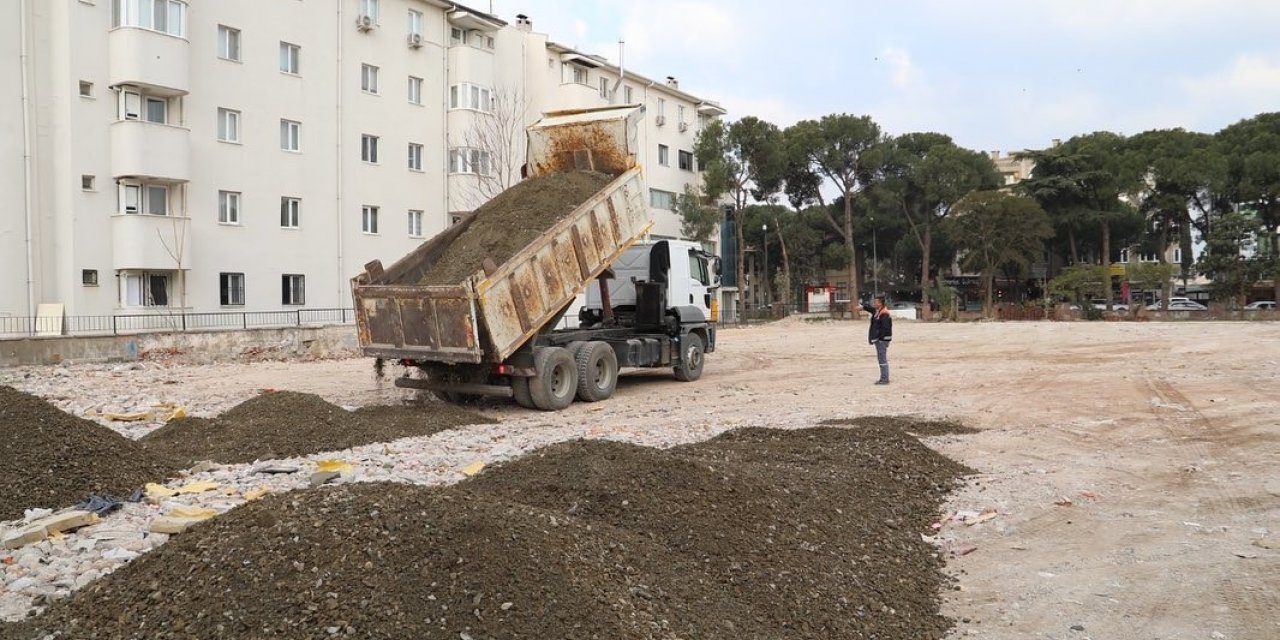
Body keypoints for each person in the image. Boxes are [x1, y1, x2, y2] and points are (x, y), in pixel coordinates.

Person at [861, 295, 893, 385]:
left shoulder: (884, 313)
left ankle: (884, 379)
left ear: (880, 303)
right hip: (879, 340)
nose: (874, 303)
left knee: (882, 359)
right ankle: (883, 378)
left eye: (875, 302)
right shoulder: (878, 311)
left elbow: (885, 328)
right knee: (881, 359)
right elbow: (871, 309)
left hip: (882, 340)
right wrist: (863, 307)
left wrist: (881, 339)